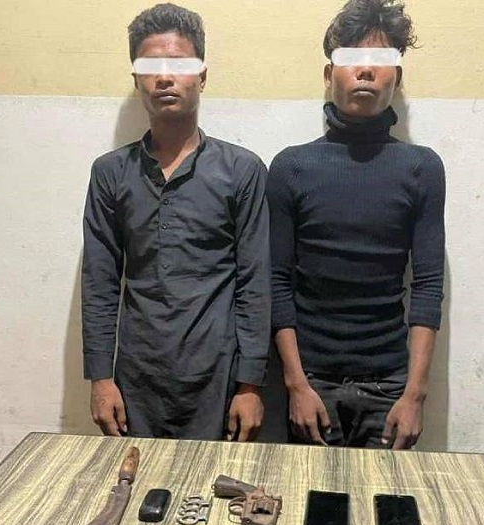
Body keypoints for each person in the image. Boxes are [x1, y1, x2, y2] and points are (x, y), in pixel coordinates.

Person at [81, 3, 270, 442]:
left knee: (215, 485)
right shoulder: (110, 173)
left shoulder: (241, 171)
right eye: (151, 67)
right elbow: (100, 282)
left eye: (180, 65)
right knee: (137, 482)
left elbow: (255, 282)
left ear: (202, 76)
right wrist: (100, 378)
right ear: (137, 80)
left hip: (219, 378)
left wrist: (250, 386)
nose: (165, 78)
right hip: (135, 380)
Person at [268, 0, 445, 449]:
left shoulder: (421, 168)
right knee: (307, 496)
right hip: (311, 384)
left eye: (380, 60)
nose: (365, 71)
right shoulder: (291, 168)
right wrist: (295, 385)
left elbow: (427, 285)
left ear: (395, 78)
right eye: (351, 60)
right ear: (330, 75)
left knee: (383, 496)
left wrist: (415, 395)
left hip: (390, 387)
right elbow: (276, 281)